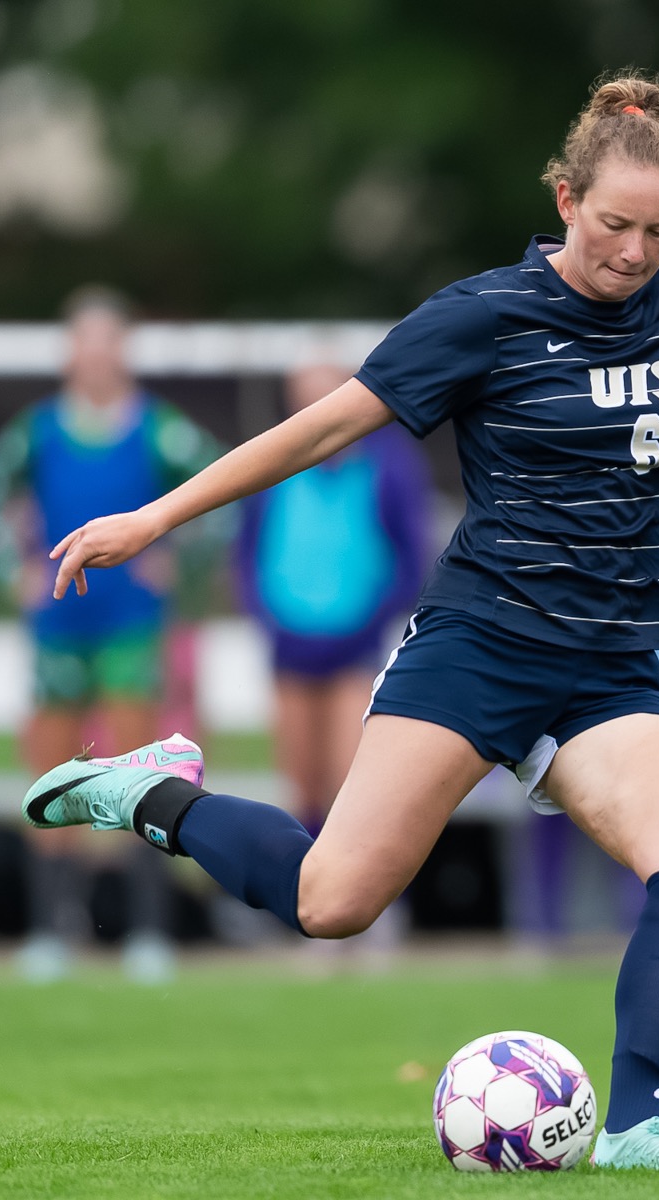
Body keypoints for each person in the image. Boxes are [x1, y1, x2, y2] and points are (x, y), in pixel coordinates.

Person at [20, 74, 659, 1172]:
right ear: (565, 199)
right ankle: (156, 792)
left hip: (609, 664)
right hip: (480, 644)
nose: (635, 251)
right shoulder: (482, 317)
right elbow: (322, 431)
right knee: (332, 902)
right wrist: (152, 515)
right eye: (615, 224)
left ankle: (636, 1126)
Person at [0, 288, 222, 984]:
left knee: (140, 773)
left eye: (110, 343)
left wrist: (180, 562)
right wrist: (10, 568)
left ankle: (147, 929)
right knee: (53, 774)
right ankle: (52, 928)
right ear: (71, 353)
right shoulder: (40, 431)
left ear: (123, 352)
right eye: (87, 344)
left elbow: (219, 495)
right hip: (57, 628)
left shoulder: (159, 429)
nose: (98, 357)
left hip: (130, 629)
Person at [234, 359, 429, 951]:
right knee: (303, 780)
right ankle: (303, 899)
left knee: (354, 777)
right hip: (289, 642)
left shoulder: (389, 466)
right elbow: (247, 556)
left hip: (356, 643)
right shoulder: (273, 465)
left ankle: (368, 902)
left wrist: (372, 618)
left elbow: (410, 554)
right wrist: (268, 618)